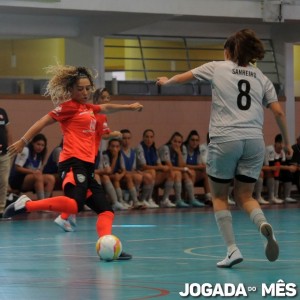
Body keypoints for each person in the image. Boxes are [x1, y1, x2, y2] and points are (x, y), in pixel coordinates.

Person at [157, 28, 293, 267]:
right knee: (245, 196)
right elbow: (279, 112)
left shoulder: (217, 67)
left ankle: (232, 249)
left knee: (219, 196)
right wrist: (288, 142)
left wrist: (166, 82)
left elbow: (183, 78)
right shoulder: (261, 77)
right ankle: (262, 224)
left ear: (229, 51)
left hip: (225, 139)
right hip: (254, 141)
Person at [3, 65, 143, 260]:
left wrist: (128, 107)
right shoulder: (67, 108)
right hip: (72, 163)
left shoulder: (88, 108)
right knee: (74, 205)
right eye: (80, 89)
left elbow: (105, 107)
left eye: (88, 88)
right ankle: (27, 205)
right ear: (71, 90)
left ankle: (108, 246)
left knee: (106, 210)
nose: (85, 92)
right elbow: (43, 121)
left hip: (87, 166)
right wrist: (23, 141)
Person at [159, 131, 204, 207]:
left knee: (186, 174)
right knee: (179, 173)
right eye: (175, 141)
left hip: (174, 172)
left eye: (179, 142)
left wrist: (179, 153)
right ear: (171, 141)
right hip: (163, 172)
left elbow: (182, 165)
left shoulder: (182, 148)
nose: (177, 144)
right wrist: (184, 169)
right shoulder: (165, 148)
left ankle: (191, 199)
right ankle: (175, 199)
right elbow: (170, 167)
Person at [136, 129, 176, 208]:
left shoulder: (153, 148)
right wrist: (160, 167)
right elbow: (143, 166)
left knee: (170, 173)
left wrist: (164, 167)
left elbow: (158, 163)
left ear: (153, 138)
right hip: (140, 172)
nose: (149, 139)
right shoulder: (139, 148)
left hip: (151, 173)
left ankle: (164, 200)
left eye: (151, 137)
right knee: (152, 171)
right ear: (143, 138)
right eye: (147, 137)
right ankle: (147, 199)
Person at [9, 133, 55, 200]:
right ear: (33, 143)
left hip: (31, 178)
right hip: (17, 180)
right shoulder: (25, 150)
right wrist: (33, 172)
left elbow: (38, 170)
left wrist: (36, 173)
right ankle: (41, 203)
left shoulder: (39, 155)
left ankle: (46, 202)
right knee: (37, 175)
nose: (40, 147)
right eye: (38, 144)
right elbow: (17, 167)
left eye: (42, 145)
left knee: (51, 178)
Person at [120, 129, 157, 208]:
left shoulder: (133, 152)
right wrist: (136, 173)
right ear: (120, 139)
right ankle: (133, 200)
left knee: (148, 176)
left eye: (128, 138)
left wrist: (138, 172)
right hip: (121, 175)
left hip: (130, 173)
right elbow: (121, 169)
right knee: (138, 176)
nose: (126, 140)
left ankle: (142, 200)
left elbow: (133, 168)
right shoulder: (119, 151)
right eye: (124, 138)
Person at [263, 134, 297, 204]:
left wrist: (290, 168)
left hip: (275, 169)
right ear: (276, 143)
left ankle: (287, 196)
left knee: (288, 172)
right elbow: (271, 166)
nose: (282, 146)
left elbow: (282, 165)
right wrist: (288, 167)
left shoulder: (282, 152)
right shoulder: (269, 149)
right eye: (281, 143)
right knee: (274, 171)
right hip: (266, 169)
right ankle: (273, 196)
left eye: (283, 144)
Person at [183, 130, 211, 205]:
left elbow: (199, 164)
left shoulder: (197, 151)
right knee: (192, 172)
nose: (194, 142)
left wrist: (202, 166)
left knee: (205, 171)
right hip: (183, 172)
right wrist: (197, 167)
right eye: (192, 140)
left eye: (196, 140)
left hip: (193, 172)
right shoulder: (184, 149)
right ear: (188, 140)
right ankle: (189, 197)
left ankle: (208, 197)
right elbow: (183, 165)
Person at [0, 107, 12, 218]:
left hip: (4, 154)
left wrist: (9, 147)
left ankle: (1, 209)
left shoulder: (2, 111)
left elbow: (7, 131)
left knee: (3, 181)